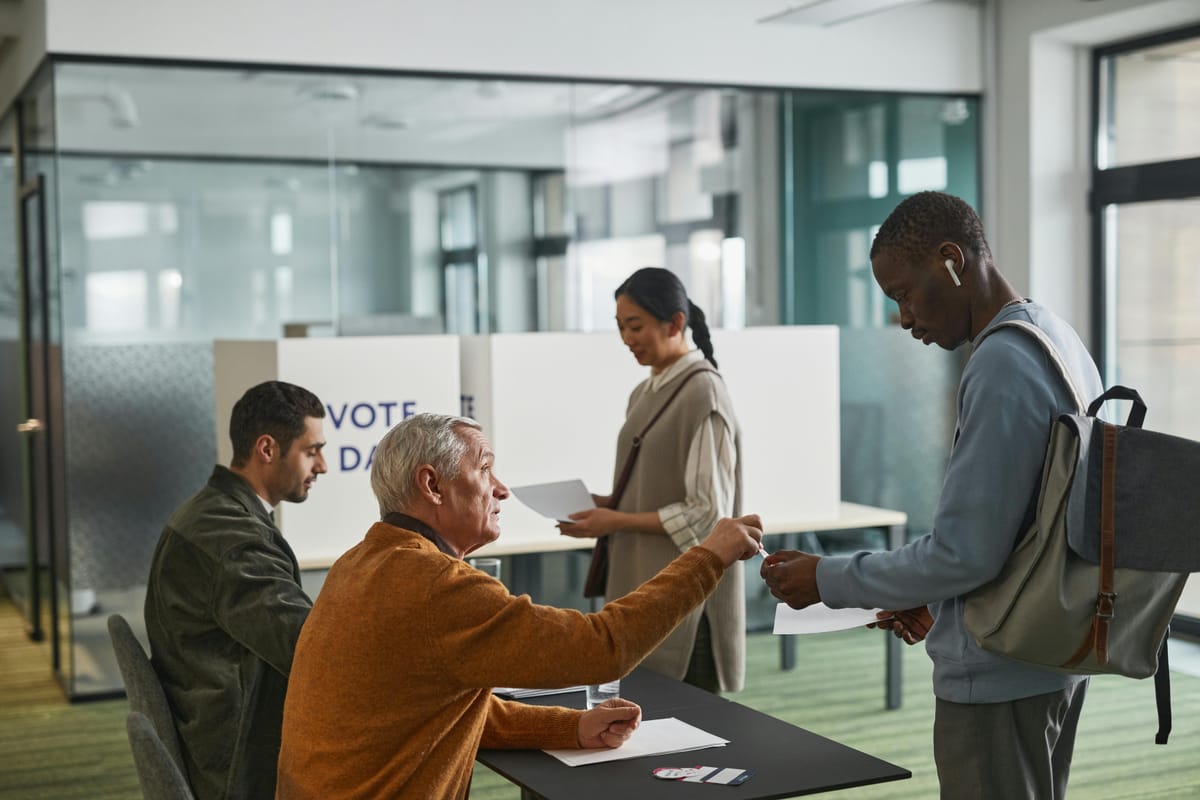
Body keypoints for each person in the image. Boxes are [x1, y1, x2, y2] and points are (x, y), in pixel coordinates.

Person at [761, 191, 1104, 799]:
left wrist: (827, 579)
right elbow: (1028, 526)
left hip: (999, 674)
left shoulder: (1000, 362)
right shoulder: (1054, 336)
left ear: (953, 260)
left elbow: (964, 554)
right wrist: (942, 604)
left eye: (903, 293)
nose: (904, 318)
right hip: (1051, 650)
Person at [276, 413, 763, 799]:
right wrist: (709, 556)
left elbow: (438, 708)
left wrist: (572, 725)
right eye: (484, 468)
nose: (501, 488)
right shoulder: (434, 586)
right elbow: (603, 648)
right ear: (432, 485)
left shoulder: (359, 564)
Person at [559, 267, 744, 694]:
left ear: (675, 323)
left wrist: (615, 521)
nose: (627, 338)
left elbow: (707, 516)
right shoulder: (646, 392)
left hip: (686, 600)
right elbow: (654, 489)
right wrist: (606, 504)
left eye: (636, 325)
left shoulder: (704, 394)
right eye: (621, 327)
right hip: (647, 590)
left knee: (690, 735)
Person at [144, 380, 327, 800]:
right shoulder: (232, 540)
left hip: (211, 726)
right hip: (238, 761)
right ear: (267, 449)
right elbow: (310, 648)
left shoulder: (214, 512)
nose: (323, 466)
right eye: (311, 450)